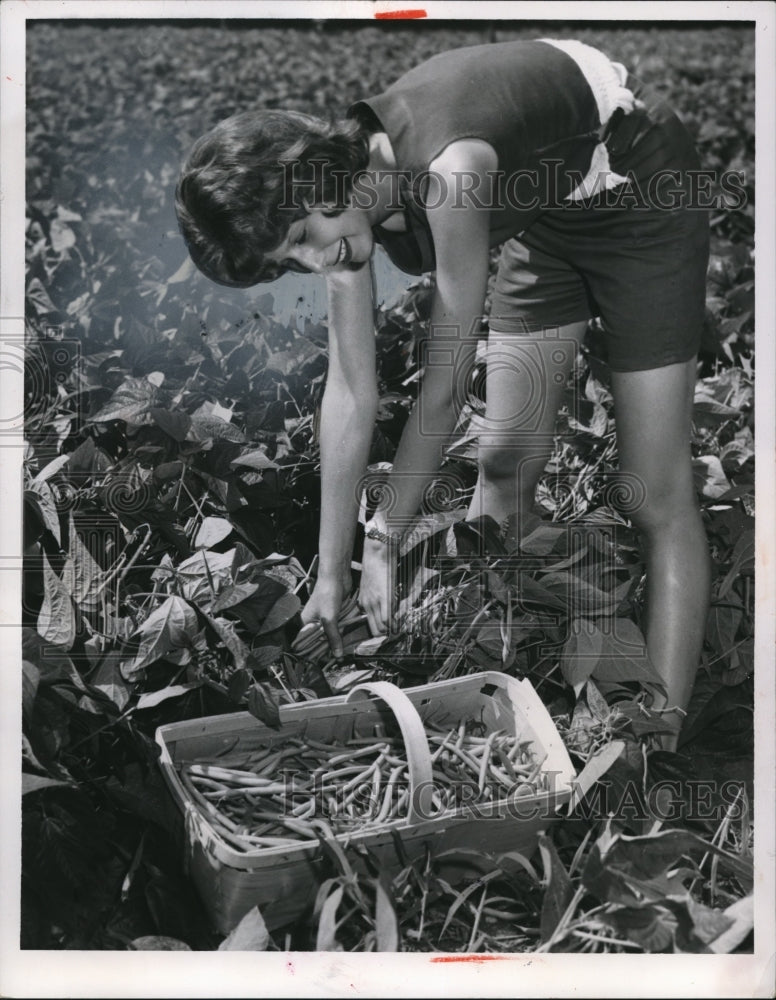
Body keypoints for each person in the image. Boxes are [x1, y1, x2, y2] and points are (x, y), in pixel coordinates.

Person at [175, 37, 711, 750]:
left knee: (654, 490)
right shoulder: (336, 212)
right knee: (504, 464)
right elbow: (350, 392)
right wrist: (331, 575)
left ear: (318, 177)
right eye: (290, 260)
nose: (315, 258)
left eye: (305, 236)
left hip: (636, 182)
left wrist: (387, 535)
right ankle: (509, 678)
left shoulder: (449, 171)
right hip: (539, 210)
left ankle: (656, 741)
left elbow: (449, 375)